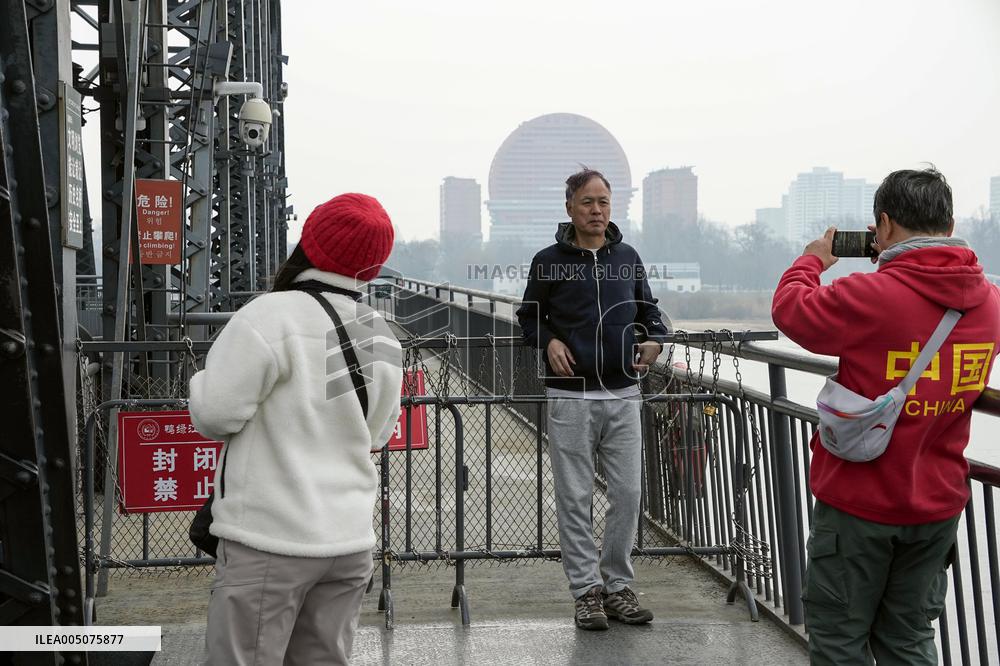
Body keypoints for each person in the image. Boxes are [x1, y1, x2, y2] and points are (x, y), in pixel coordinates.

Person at [771, 168, 1000, 665]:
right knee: (908, 640)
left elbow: (791, 310)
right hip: (938, 505)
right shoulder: (991, 303)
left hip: (860, 506)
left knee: (839, 641)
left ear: (883, 225)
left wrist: (811, 261)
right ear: (951, 222)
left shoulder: (871, 294)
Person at [188, 193, 403, 665]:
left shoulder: (269, 316)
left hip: (272, 540)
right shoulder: (380, 334)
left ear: (309, 242)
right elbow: (378, 435)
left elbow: (216, 414)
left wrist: (199, 381)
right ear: (373, 265)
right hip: (348, 541)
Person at [516, 168, 671, 630]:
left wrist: (655, 341)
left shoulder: (627, 257)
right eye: (587, 202)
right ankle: (587, 593)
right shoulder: (548, 261)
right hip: (571, 396)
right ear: (569, 208)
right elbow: (528, 317)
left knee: (627, 494)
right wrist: (547, 342)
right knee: (575, 498)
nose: (597, 210)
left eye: (604, 201)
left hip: (624, 393)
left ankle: (618, 587)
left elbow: (650, 313)